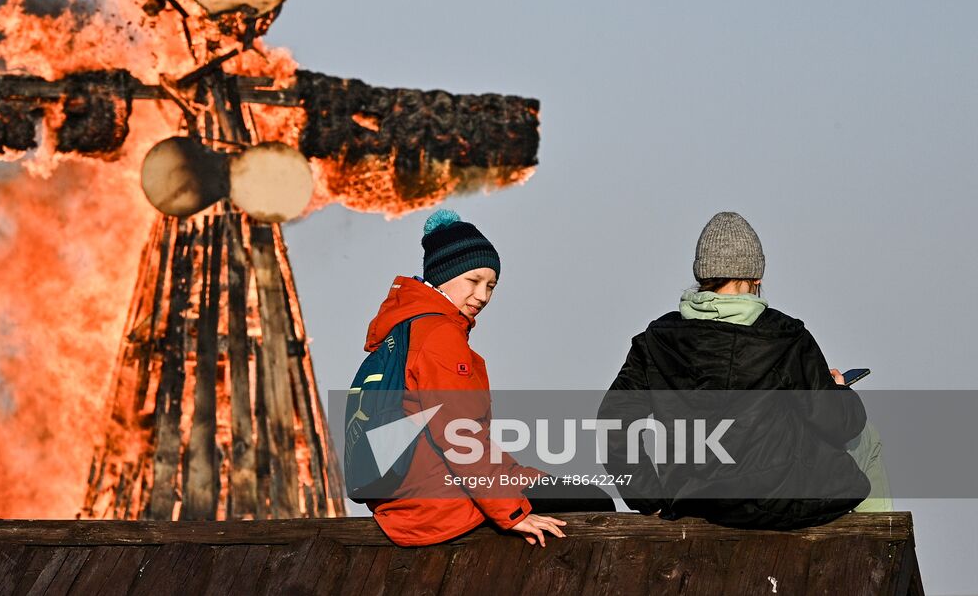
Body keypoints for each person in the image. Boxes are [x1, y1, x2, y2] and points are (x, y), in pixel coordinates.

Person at [599, 211, 889, 530]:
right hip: (779, 500)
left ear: (702, 276)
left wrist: (649, 499)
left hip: (693, 499)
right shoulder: (785, 337)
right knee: (866, 437)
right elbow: (839, 425)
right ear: (757, 277)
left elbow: (615, 421)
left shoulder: (655, 340)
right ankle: (879, 545)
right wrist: (838, 391)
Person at [362, 209, 613, 548]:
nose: (482, 296)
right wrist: (514, 512)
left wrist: (521, 476)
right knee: (594, 504)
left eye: (491, 285)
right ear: (443, 275)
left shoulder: (407, 329)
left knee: (570, 493)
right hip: (436, 504)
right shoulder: (439, 336)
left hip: (408, 497)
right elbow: (459, 437)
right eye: (473, 280)